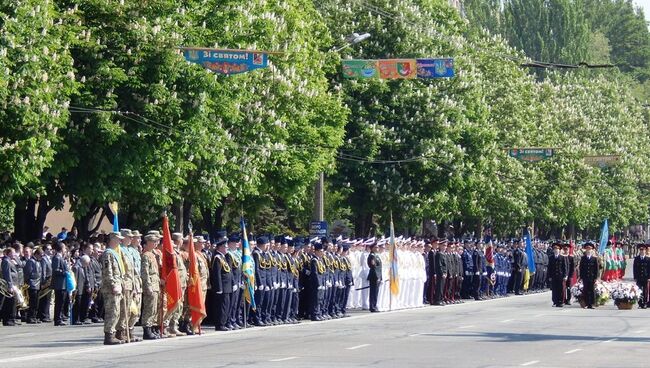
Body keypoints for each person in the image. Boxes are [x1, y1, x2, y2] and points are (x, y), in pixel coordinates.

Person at [101, 232, 125, 345]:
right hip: (111, 288)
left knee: (116, 311)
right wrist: (113, 284)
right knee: (112, 311)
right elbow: (108, 272)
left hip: (117, 285)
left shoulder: (114, 253)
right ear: (112, 239)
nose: (120, 241)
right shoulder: (107, 254)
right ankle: (109, 335)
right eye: (118, 239)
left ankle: (113, 333)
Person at [141, 233, 161, 340]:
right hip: (151, 285)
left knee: (154, 308)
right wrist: (147, 286)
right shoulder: (145, 255)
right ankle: (147, 329)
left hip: (155, 284)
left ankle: (151, 328)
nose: (155, 244)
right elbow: (145, 272)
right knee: (149, 308)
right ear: (148, 242)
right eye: (153, 242)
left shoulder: (153, 255)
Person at [211, 236, 233, 331]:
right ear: (220, 247)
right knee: (222, 306)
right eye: (225, 246)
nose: (227, 248)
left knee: (226, 305)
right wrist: (219, 288)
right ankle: (220, 324)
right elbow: (217, 274)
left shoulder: (223, 257)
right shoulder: (217, 258)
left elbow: (229, 272)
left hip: (227, 286)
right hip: (222, 287)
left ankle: (224, 322)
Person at [51, 241, 69, 326]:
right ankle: (57, 319)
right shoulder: (57, 258)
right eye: (64, 248)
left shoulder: (61, 257)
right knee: (59, 302)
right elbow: (56, 270)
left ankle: (60, 317)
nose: (65, 249)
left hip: (63, 283)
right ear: (61, 248)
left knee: (62, 301)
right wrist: (65, 272)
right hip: (59, 284)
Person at [22, 245, 41, 324]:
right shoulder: (31, 261)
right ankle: (30, 317)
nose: (41, 257)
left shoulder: (37, 262)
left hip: (37, 284)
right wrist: (29, 281)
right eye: (40, 255)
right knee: (32, 302)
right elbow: (28, 273)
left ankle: (34, 316)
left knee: (36, 302)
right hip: (32, 283)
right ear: (36, 254)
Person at [1, 247, 19, 326]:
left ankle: (12, 318)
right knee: (9, 303)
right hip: (9, 285)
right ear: (9, 253)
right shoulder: (6, 261)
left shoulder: (10, 261)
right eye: (13, 253)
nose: (14, 254)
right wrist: (10, 285)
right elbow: (7, 274)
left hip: (14, 283)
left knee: (13, 302)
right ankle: (8, 319)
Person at [579, 243, 599, 309]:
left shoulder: (594, 259)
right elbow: (581, 268)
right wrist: (581, 277)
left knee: (592, 290)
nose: (588, 250)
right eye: (587, 249)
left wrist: (596, 277)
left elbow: (596, 269)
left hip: (592, 277)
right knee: (585, 290)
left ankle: (592, 304)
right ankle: (586, 303)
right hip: (585, 277)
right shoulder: (583, 258)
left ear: (592, 250)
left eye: (590, 249)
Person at [366, 242, 382, 312]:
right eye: (376, 247)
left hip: (377, 276)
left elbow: (379, 267)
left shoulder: (376, 255)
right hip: (374, 276)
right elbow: (373, 266)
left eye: (378, 247)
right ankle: (372, 307)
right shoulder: (372, 256)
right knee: (373, 292)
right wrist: (377, 276)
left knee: (376, 292)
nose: (377, 248)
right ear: (372, 248)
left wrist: (380, 276)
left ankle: (374, 306)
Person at [633, 243, 649, 309]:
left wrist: (649, 277)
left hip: (646, 277)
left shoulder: (648, 259)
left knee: (645, 291)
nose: (642, 251)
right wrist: (635, 277)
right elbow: (635, 268)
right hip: (639, 277)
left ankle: (645, 303)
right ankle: (640, 303)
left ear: (645, 250)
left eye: (643, 250)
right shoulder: (636, 259)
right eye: (641, 250)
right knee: (639, 290)